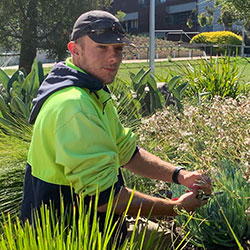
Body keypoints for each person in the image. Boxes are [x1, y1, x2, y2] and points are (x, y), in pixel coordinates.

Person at [20, 10, 212, 248]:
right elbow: (106, 199)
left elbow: (128, 153)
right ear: (74, 49)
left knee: (171, 239)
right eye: (102, 47)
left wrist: (179, 175)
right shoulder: (74, 105)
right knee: (176, 240)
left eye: (118, 49)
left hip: (97, 222)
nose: (114, 58)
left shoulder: (92, 91)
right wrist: (176, 208)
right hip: (69, 235)